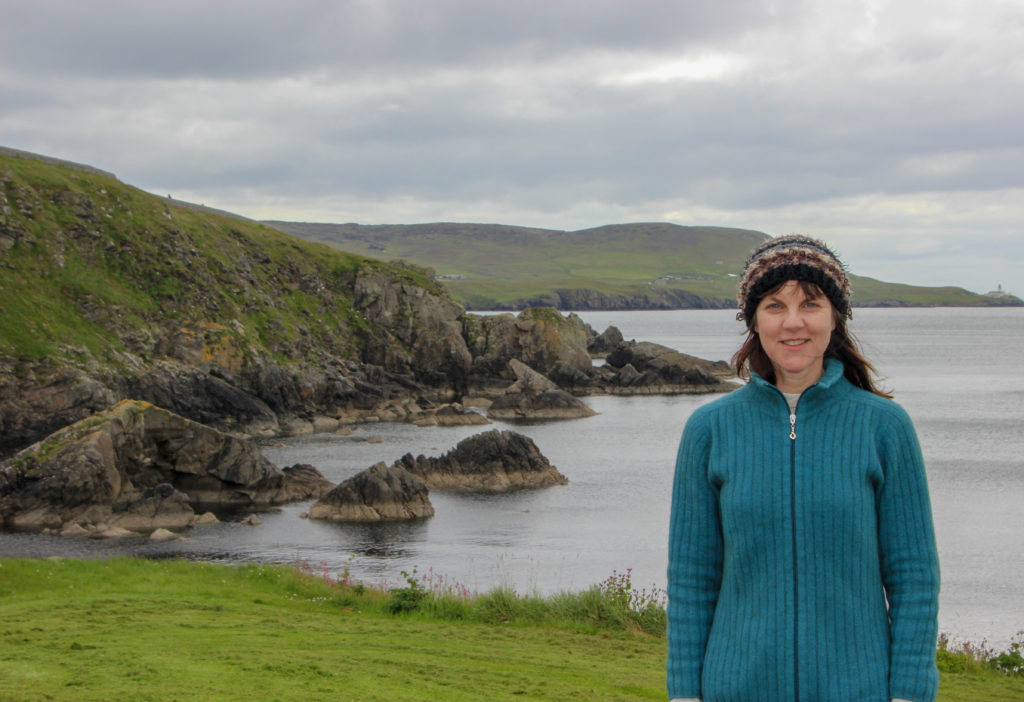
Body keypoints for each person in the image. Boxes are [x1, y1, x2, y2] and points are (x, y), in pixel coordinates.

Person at [666, 235, 940, 702]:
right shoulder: (709, 429)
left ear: (836, 316)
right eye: (775, 306)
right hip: (735, 689)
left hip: (860, 690)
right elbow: (692, 579)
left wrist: (910, 692)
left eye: (810, 304)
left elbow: (914, 576)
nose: (793, 323)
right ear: (754, 320)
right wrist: (685, 693)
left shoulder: (884, 427)